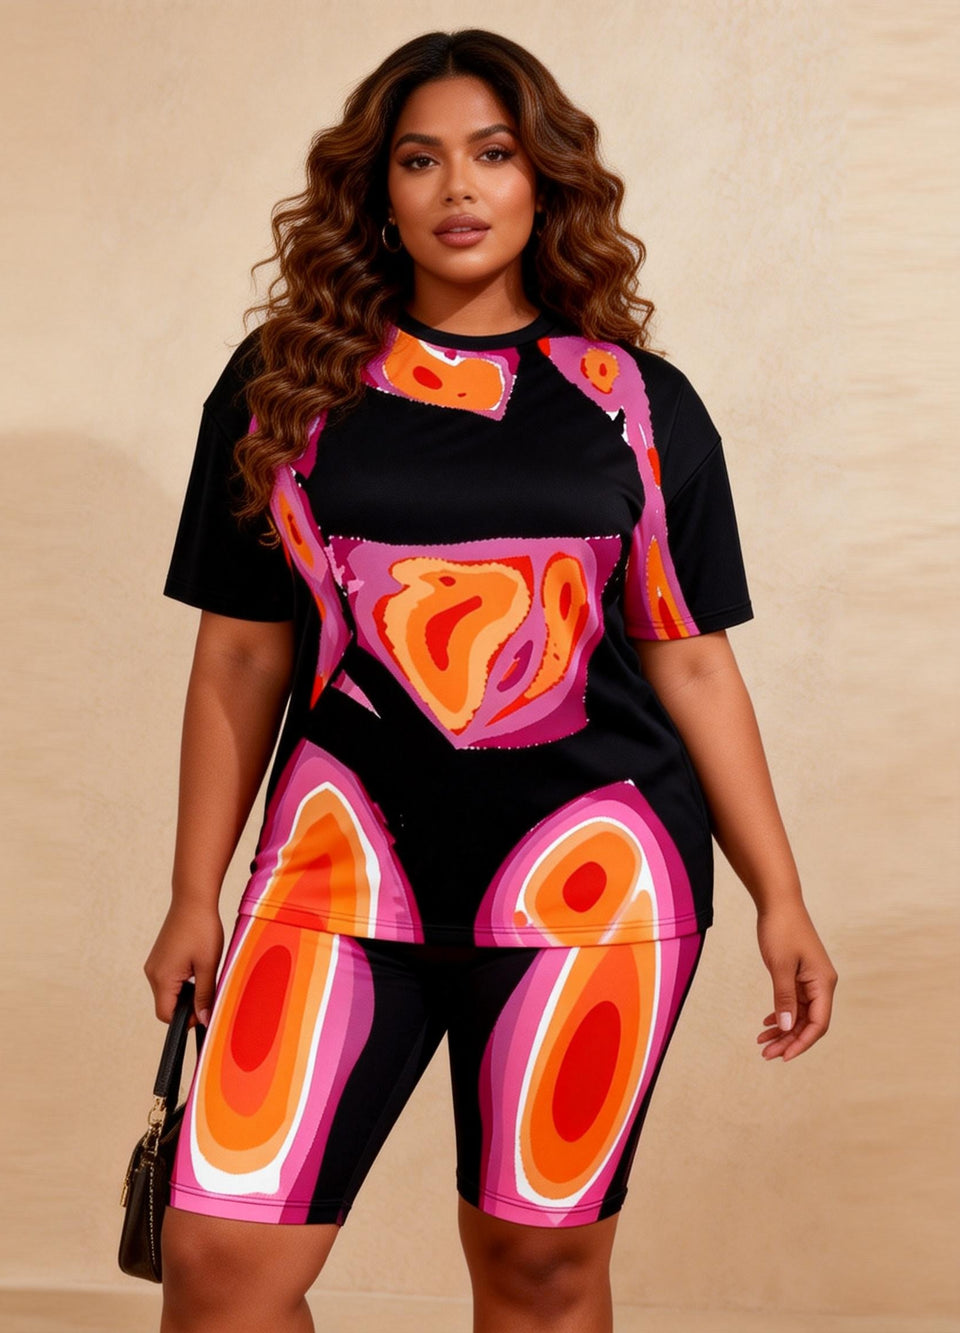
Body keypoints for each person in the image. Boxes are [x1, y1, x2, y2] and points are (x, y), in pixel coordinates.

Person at [144, 28, 837, 1333]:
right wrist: (195, 893)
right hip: (334, 879)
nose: (458, 187)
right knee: (222, 1269)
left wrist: (781, 897)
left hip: (598, 888)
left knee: (538, 1273)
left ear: (543, 179)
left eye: (493, 153)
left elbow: (692, 657)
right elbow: (240, 650)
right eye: (420, 160)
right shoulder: (282, 388)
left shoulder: (637, 404)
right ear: (376, 190)